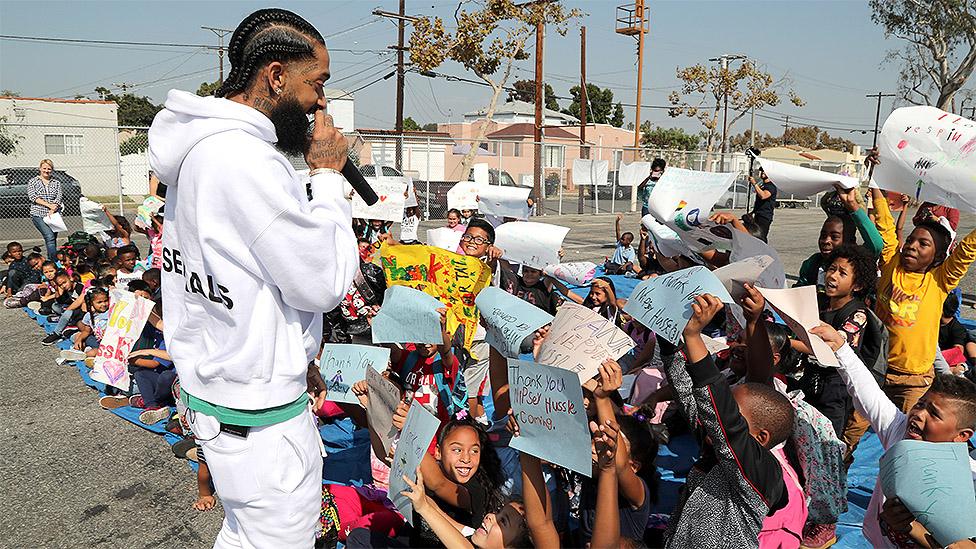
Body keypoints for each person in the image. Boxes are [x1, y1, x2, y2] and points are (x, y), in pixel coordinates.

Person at [147, 8, 360, 547]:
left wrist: (288, 347)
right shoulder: (244, 160)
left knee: (243, 535)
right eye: (317, 83)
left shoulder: (198, 149)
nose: (321, 102)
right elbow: (326, 282)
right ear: (275, 76)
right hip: (262, 425)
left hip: (220, 402)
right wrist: (329, 180)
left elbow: (245, 277)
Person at [811, 323, 976, 548]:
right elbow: (868, 393)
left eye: (934, 414)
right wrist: (840, 348)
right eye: (920, 404)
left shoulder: (969, 483)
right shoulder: (900, 433)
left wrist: (911, 529)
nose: (918, 414)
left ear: (962, 435)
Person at [663, 294, 791, 549]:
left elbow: (725, 423)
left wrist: (693, 337)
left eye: (732, 412)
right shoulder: (714, 448)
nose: (718, 415)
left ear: (760, 438)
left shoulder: (762, 472)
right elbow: (688, 392)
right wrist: (665, 333)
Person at [27, 159, 63, 259]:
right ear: (40, 168)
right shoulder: (33, 181)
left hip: (53, 214)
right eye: (44, 168)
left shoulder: (56, 183)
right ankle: (53, 261)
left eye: (49, 169)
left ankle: (49, 260)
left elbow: (58, 197)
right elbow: (33, 197)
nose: (46, 171)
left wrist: (53, 209)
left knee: (53, 238)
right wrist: (49, 206)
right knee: (49, 236)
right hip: (38, 214)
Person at [749, 168, 778, 242]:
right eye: (761, 171)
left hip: (764, 216)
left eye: (764, 171)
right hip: (758, 215)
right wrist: (753, 212)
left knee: (761, 237)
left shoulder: (771, 186)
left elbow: (763, 196)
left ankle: (764, 252)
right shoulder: (763, 185)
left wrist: (754, 183)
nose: (762, 172)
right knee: (755, 236)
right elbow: (759, 202)